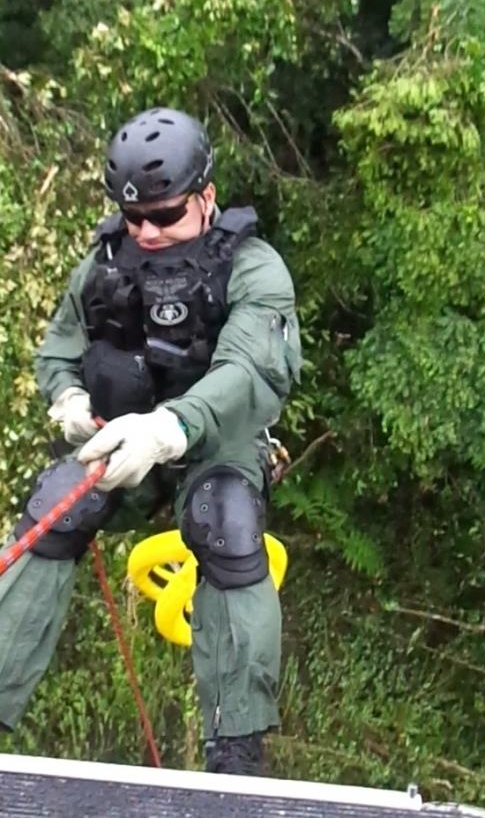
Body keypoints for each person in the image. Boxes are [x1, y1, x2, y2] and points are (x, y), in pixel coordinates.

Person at [0, 107, 302, 776]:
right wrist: (68, 398)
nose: (147, 231)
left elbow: (254, 371)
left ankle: (236, 752)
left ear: (206, 198)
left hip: (209, 443)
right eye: (135, 217)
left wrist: (171, 427)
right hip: (120, 441)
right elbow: (60, 347)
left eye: (164, 216)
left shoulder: (253, 269)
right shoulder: (107, 261)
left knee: (226, 520)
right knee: (58, 502)